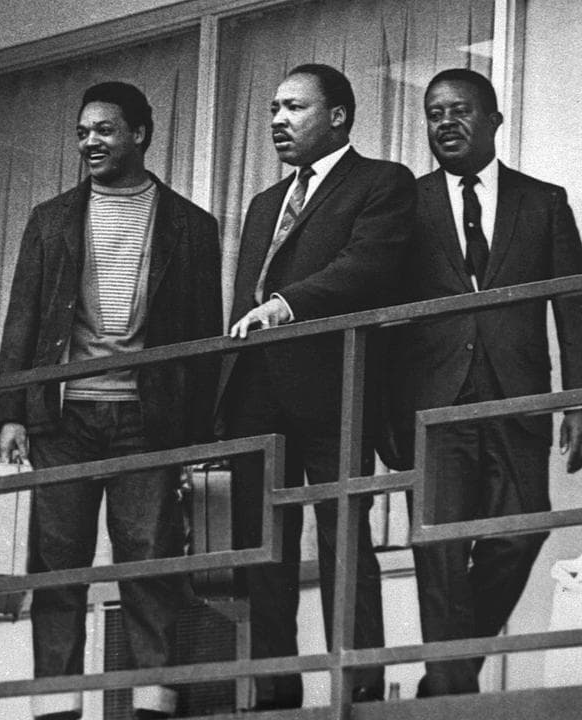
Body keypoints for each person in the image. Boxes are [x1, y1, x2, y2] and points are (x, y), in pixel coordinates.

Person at [0, 81, 221, 720]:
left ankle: (153, 705)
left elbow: (203, 334)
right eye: (83, 131)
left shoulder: (191, 225)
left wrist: (199, 434)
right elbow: (23, 319)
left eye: (105, 130)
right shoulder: (50, 218)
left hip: (149, 421)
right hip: (62, 419)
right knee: (57, 567)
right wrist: (11, 411)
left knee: (150, 565)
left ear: (140, 134)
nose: (90, 142)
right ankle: (56, 710)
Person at [384, 68, 582, 696]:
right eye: (433, 113)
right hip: (433, 407)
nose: (445, 123)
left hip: (518, 396)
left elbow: (574, 305)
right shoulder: (407, 204)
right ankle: (452, 696)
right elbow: (385, 320)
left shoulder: (544, 202)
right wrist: (386, 422)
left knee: (522, 528)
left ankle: (445, 679)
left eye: (460, 110)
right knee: (440, 551)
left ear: (494, 120)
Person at [218, 63, 415, 709]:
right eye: (273, 107)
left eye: (294, 107)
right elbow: (240, 304)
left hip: (338, 389)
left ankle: (357, 689)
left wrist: (285, 305)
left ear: (337, 115)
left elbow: (368, 267)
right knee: (263, 553)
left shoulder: (381, 182)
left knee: (344, 544)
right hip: (257, 395)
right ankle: (274, 691)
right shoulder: (262, 204)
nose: (277, 120)